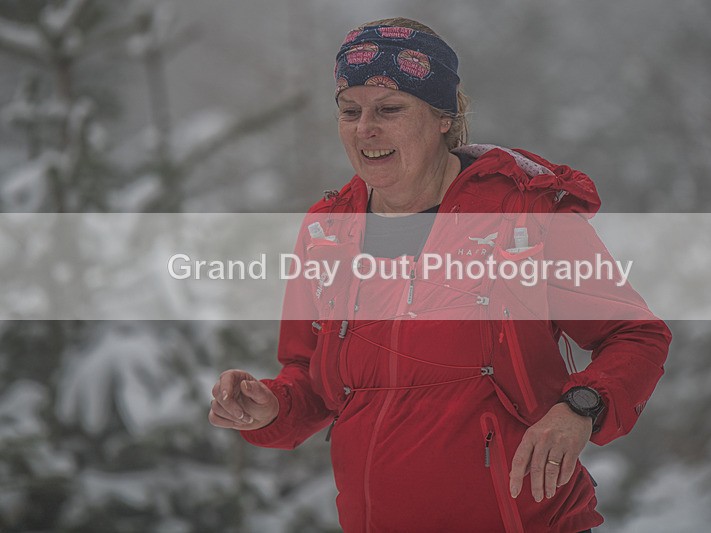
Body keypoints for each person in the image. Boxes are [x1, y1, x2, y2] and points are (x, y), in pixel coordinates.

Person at [209, 17, 671, 533]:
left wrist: (581, 408)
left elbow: (636, 336)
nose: (365, 129)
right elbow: (314, 382)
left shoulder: (521, 217)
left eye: (389, 109)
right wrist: (270, 407)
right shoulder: (327, 232)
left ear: (443, 119)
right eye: (349, 111)